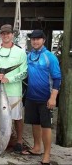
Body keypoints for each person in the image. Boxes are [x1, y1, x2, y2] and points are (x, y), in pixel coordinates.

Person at [21, 30, 61, 165]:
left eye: (38, 39)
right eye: (33, 39)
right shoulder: (29, 55)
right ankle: (37, 148)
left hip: (46, 98)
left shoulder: (50, 57)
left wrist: (53, 97)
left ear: (44, 40)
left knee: (46, 126)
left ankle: (47, 155)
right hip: (31, 96)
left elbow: (57, 78)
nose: (35, 41)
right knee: (35, 124)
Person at [0, 24, 27, 153]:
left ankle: (19, 141)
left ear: (12, 35)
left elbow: (24, 72)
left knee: (17, 117)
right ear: (0, 35)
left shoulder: (20, 52)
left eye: (8, 33)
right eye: (3, 34)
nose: (6, 36)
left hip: (14, 90)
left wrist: (9, 79)